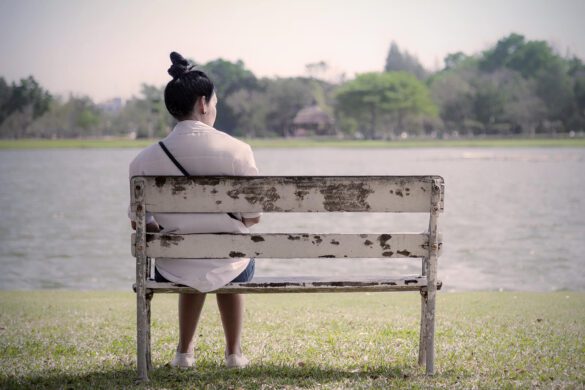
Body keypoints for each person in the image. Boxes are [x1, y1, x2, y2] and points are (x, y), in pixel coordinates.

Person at [128, 51, 260, 369]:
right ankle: (233, 354)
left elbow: (141, 225)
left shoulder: (143, 160)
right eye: (214, 103)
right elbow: (252, 218)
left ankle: (184, 353)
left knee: (190, 258)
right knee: (231, 257)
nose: (214, 108)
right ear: (203, 103)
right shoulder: (238, 151)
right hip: (232, 262)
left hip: (174, 265)